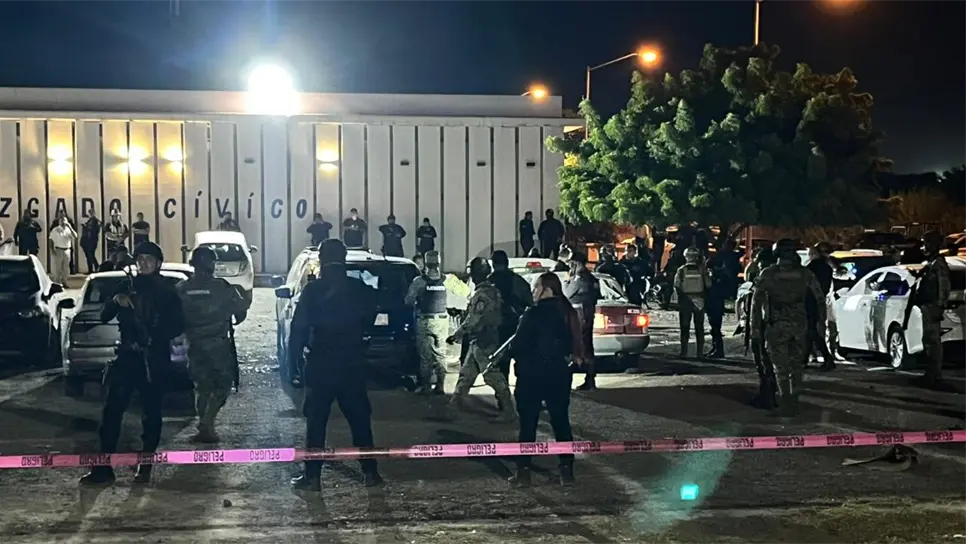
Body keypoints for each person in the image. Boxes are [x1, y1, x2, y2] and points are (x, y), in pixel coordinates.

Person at [80, 242, 185, 485]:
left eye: (149, 259)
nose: (144, 263)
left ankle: (145, 467)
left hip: (153, 358)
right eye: (140, 259)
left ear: (158, 263)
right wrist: (117, 300)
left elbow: (177, 325)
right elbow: (104, 315)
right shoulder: (127, 285)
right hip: (127, 357)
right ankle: (103, 468)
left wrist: (153, 332)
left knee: (151, 415)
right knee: (111, 413)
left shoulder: (167, 290)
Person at [289, 239, 383, 490]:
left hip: (321, 363)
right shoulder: (359, 288)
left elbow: (298, 328)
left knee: (316, 423)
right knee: (360, 420)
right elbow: (371, 317)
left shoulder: (313, 290)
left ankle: (312, 478)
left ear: (321, 258)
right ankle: (371, 473)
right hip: (351, 363)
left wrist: (294, 362)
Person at [508, 272, 583, 487]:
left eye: (535, 287)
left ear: (546, 289)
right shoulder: (567, 313)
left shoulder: (532, 314)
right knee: (561, 421)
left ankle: (523, 472)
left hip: (532, 376)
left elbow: (518, 346)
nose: (533, 292)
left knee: (528, 424)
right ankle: (567, 470)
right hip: (559, 375)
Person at [177, 247, 249, 443]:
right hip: (217, 345)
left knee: (201, 386)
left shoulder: (181, 289)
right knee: (223, 385)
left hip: (193, 344)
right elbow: (241, 312)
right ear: (212, 265)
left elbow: (174, 318)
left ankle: (204, 424)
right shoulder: (222, 287)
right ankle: (207, 423)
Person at [751, 239, 825, 418]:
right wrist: (820, 323)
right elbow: (820, 298)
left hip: (776, 326)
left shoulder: (768, 274)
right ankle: (795, 400)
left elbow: (756, 301)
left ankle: (786, 402)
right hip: (800, 325)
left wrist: (755, 328)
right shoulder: (804, 274)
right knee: (797, 365)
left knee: (780, 367)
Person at [447, 257, 516, 421]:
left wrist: (456, 335)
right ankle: (454, 404)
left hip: (485, 339)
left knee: (492, 375)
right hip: (481, 338)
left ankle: (509, 412)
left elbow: (474, 319)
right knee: (467, 373)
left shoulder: (481, 294)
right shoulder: (493, 290)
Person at [909, 231, 953, 391]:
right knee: (928, 340)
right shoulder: (932, 263)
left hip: (932, 306)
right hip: (928, 305)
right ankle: (931, 374)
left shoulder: (938, 264)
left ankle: (935, 375)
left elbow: (943, 286)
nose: (924, 246)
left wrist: (940, 305)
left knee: (932, 342)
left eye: (926, 242)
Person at [405, 250, 450, 395]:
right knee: (441, 355)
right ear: (439, 262)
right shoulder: (447, 280)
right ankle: (440, 386)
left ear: (425, 263)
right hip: (442, 322)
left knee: (425, 356)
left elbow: (409, 301)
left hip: (424, 321)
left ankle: (425, 386)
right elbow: (464, 292)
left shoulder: (419, 282)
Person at [488, 250, 534, 380]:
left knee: (501, 364)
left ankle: (503, 396)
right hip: (516, 326)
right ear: (507, 263)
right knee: (521, 362)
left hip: (495, 328)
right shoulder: (518, 281)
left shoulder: (488, 282)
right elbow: (530, 303)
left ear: (493, 264)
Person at [565, 251, 600, 391]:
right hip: (587, 314)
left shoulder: (579, 278)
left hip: (579, 316)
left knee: (579, 346)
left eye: (572, 264)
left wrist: (567, 280)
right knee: (587, 346)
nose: (571, 266)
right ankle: (590, 378)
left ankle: (581, 379)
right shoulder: (591, 278)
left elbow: (567, 293)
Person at [704, 240, 741, 358]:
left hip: (716, 293)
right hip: (720, 293)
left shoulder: (725, 258)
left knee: (715, 324)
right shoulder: (731, 258)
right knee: (714, 324)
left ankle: (718, 350)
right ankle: (716, 348)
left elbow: (709, 264)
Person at [674, 246, 711, 359]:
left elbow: (677, 285)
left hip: (685, 301)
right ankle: (699, 353)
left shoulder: (681, 270)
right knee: (699, 328)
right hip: (699, 300)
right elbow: (709, 284)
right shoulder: (702, 270)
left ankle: (684, 352)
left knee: (684, 327)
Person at [805, 242, 835, 371]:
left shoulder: (812, 267)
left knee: (810, 331)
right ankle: (805, 358)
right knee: (811, 330)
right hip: (819, 301)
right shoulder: (827, 267)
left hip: (809, 302)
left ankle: (825, 357)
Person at [49, 216, 77, 285]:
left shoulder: (68, 230)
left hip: (67, 250)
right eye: (61, 221)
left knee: (65, 268)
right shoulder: (55, 230)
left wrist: (70, 227)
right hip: (58, 249)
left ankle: (64, 282)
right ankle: (57, 282)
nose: (63, 222)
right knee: (57, 267)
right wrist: (52, 249)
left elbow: (75, 236)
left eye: (64, 221)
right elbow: (51, 239)